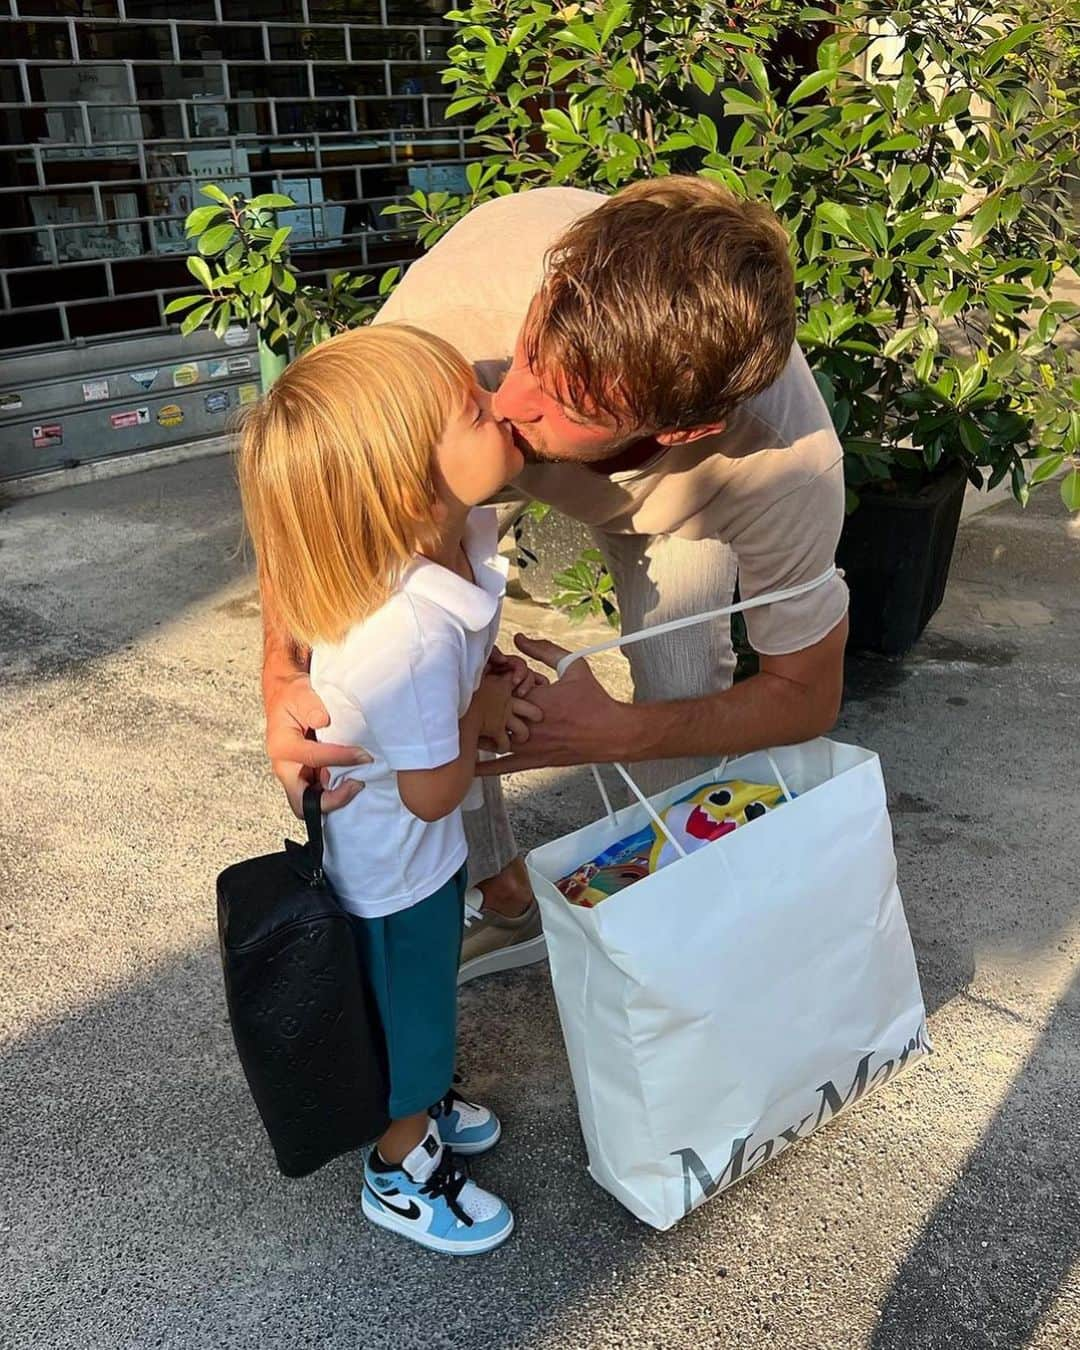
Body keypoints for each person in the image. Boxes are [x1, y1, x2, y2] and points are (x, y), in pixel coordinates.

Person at [261, 175, 850, 983]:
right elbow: (319, 494)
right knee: (426, 665)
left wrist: (615, 734)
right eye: (533, 348)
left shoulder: (784, 462)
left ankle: (678, 927)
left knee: (678, 681)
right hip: (470, 449)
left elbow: (807, 694)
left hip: (689, 503)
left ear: (684, 428)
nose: (508, 396)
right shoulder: (459, 328)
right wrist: (280, 671)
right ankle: (502, 898)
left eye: (563, 401)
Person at [237, 324, 539, 1255]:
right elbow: (432, 793)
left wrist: (483, 686)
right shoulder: (405, 631)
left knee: (426, 1000)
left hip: (415, 858)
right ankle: (399, 1166)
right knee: (410, 1013)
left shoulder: (466, 533)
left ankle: (428, 1089)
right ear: (412, 488)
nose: (498, 400)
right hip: (395, 869)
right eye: (471, 408)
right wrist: (484, 717)